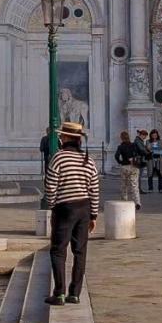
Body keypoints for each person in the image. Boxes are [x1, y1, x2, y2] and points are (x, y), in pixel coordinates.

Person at [44, 121, 101, 306]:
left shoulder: (59, 158)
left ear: (67, 138)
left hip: (65, 208)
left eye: (62, 135)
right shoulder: (88, 160)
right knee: (80, 251)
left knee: (58, 250)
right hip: (84, 208)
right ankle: (74, 293)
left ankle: (59, 293)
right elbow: (94, 189)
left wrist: (52, 206)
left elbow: (50, 186)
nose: (60, 138)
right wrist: (93, 215)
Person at [114, 131, 142, 210]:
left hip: (125, 167)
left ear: (121, 138)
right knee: (134, 185)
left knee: (124, 185)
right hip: (134, 167)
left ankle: (124, 201)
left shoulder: (120, 147)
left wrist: (121, 162)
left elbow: (116, 156)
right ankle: (137, 202)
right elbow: (139, 153)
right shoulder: (133, 145)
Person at [147, 129, 162, 193]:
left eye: (155, 135)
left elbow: (161, 150)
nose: (154, 136)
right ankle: (150, 189)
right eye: (153, 135)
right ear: (151, 135)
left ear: (157, 135)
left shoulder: (160, 141)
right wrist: (157, 149)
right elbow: (148, 149)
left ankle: (160, 189)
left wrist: (154, 149)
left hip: (159, 160)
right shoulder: (148, 141)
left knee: (160, 174)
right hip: (151, 160)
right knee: (150, 174)